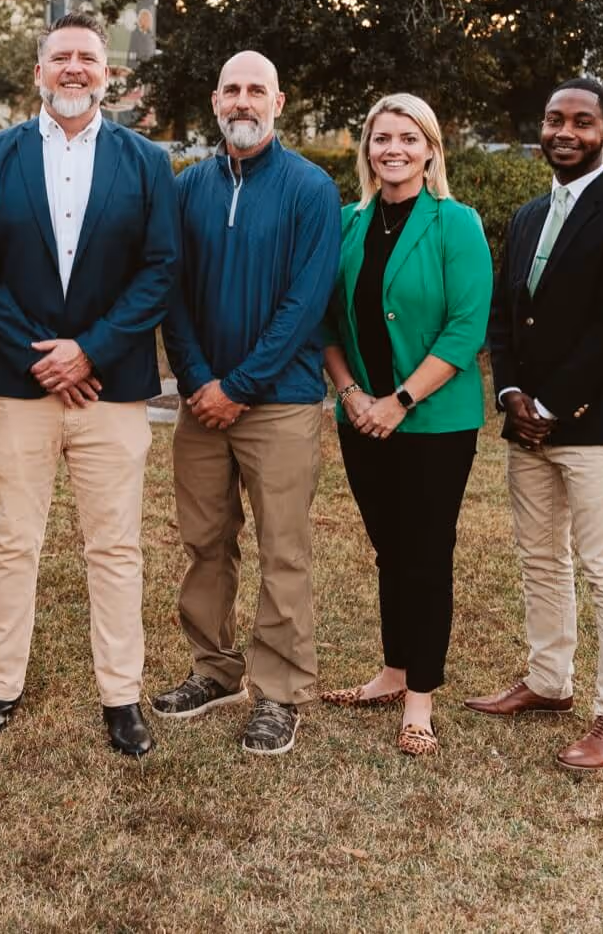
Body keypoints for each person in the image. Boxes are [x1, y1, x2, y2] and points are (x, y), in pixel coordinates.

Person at [0, 10, 178, 758]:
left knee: (114, 545)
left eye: (87, 58)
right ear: (38, 72)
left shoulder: (146, 160)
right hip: (18, 387)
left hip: (110, 387)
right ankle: (0, 684)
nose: (74, 69)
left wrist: (91, 350)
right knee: (12, 540)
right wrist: (37, 354)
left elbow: (160, 268)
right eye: (60, 58)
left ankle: (121, 694)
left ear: (106, 74)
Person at [466, 76, 603, 771]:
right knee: (539, 557)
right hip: (529, 427)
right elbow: (503, 315)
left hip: (598, 425)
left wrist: (554, 405)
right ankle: (549, 681)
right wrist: (512, 391)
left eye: (582, 121)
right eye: (554, 119)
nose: (564, 131)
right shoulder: (526, 216)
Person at [156, 51, 341, 756]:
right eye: (231, 89)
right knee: (204, 541)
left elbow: (305, 303)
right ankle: (214, 668)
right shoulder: (188, 187)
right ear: (214, 101)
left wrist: (240, 385)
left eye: (255, 88)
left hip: (281, 402)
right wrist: (201, 378)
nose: (242, 100)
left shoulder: (310, 188)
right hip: (201, 402)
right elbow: (171, 293)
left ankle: (281, 691)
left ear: (278, 100)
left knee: (282, 549)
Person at [317, 94, 493, 756]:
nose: (392, 148)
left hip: (434, 422)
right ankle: (392, 670)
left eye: (406, 138)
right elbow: (327, 321)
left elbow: (465, 327)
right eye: (380, 138)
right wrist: (352, 392)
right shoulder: (347, 222)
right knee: (390, 548)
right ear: (366, 149)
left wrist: (399, 400)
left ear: (430, 149)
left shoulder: (456, 223)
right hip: (359, 416)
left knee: (425, 554)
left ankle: (420, 699)